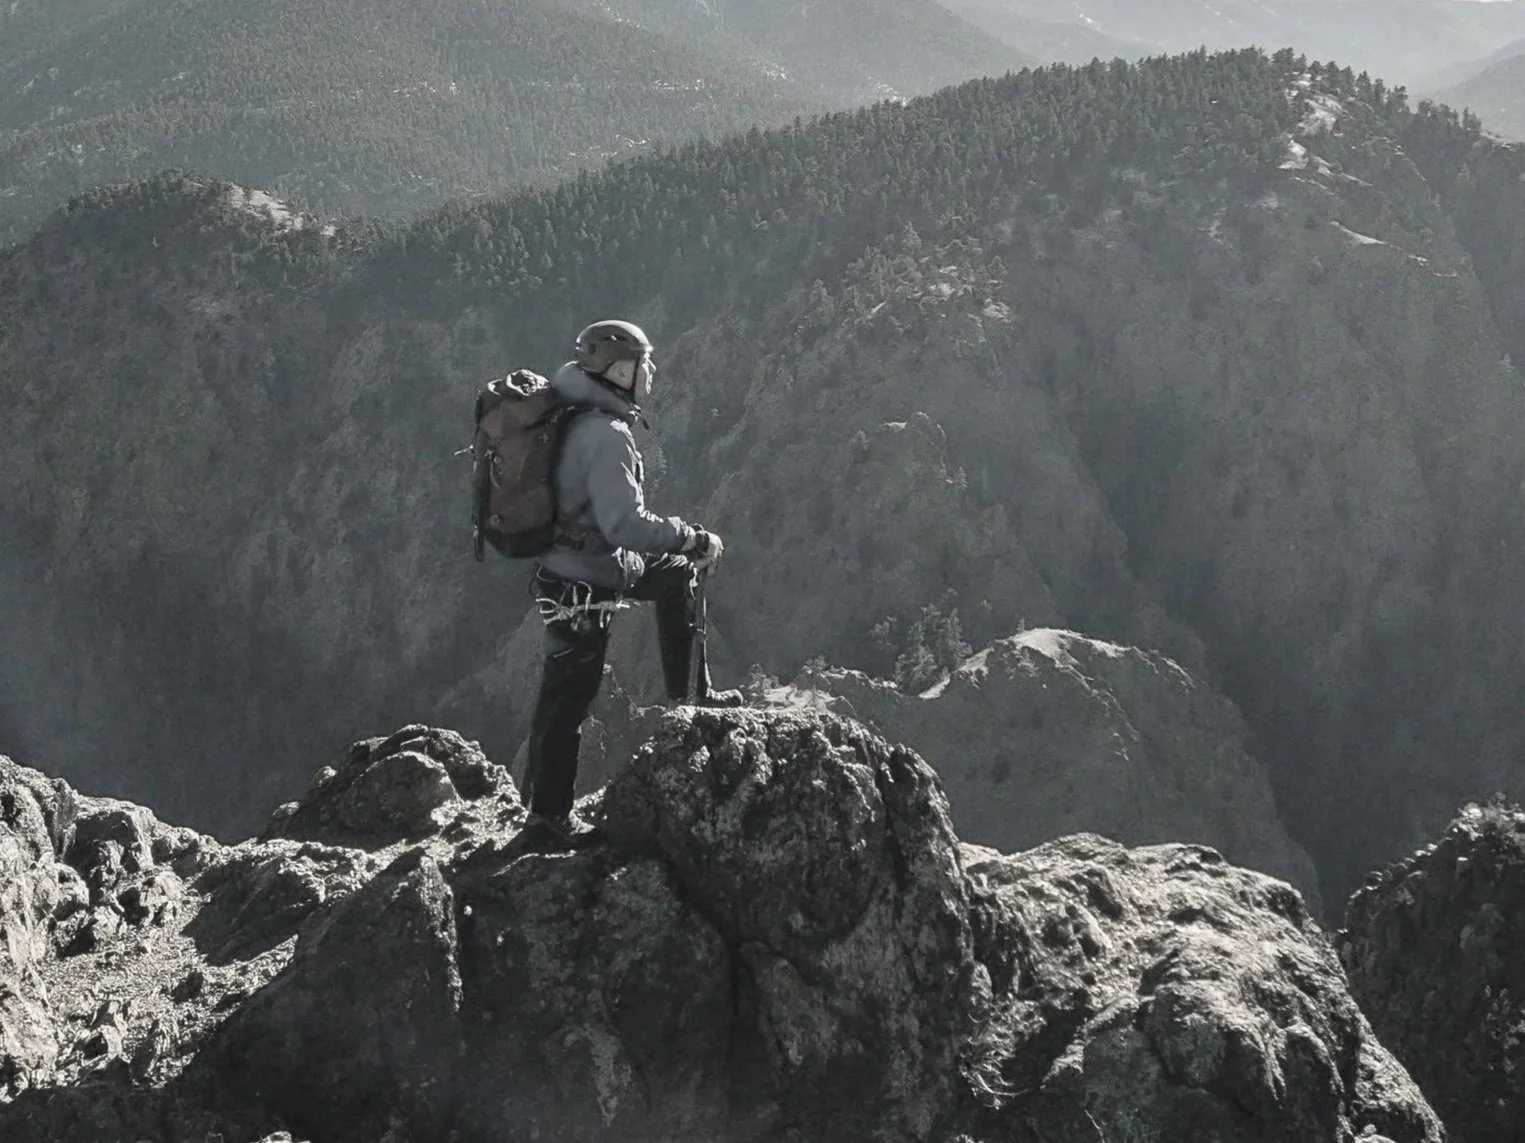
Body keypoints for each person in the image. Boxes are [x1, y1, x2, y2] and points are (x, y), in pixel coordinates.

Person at [521, 319, 741, 847]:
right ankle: (546, 821)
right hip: (587, 580)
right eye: (646, 363)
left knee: (674, 579)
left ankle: (690, 696)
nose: (653, 372)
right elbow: (624, 524)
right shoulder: (605, 434)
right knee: (569, 700)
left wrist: (683, 550)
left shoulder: (573, 411)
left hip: (571, 570)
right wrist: (692, 536)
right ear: (622, 369)